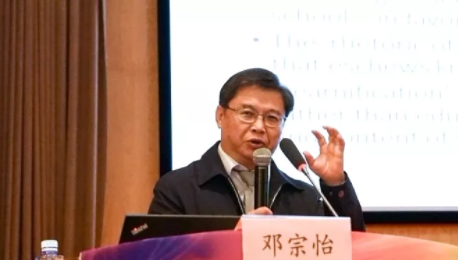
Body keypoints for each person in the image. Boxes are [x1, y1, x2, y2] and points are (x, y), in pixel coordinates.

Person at [148, 68, 365, 231]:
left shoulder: (304, 197)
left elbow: (354, 253)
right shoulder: (178, 189)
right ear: (220, 116)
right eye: (247, 114)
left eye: (272, 118)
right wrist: (230, 243)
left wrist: (334, 184)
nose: (259, 127)